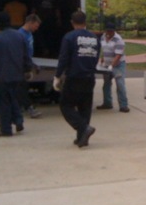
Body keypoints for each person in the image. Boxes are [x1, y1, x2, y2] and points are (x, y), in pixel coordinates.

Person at [53, 10, 100, 148]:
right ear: (85, 22)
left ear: (72, 22)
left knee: (65, 105)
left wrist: (57, 75)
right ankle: (82, 138)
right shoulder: (94, 38)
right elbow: (96, 56)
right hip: (89, 77)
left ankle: (83, 128)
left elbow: (64, 58)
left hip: (74, 76)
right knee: (85, 108)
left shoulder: (69, 37)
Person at [0, 11, 33, 136]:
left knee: (3, 102)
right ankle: (18, 121)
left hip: (0, 77)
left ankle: (5, 129)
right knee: (13, 99)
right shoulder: (20, 36)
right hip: (17, 75)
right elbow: (26, 55)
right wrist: (28, 69)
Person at [97, 22, 129, 112]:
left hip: (118, 65)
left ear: (114, 31)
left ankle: (123, 105)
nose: (109, 32)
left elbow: (118, 55)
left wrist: (111, 66)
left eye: (111, 31)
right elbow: (104, 49)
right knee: (106, 84)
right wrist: (102, 58)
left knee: (120, 84)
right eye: (107, 31)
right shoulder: (103, 37)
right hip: (107, 64)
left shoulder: (118, 39)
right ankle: (107, 103)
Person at [17, 14, 42, 118]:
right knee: (21, 87)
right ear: (30, 23)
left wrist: (33, 64)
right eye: (35, 26)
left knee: (23, 87)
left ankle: (19, 107)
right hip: (21, 64)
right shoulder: (19, 35)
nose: (36, 29)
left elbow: (29, 52)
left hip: (28, 62)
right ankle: (29, 107)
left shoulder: (30, 34)